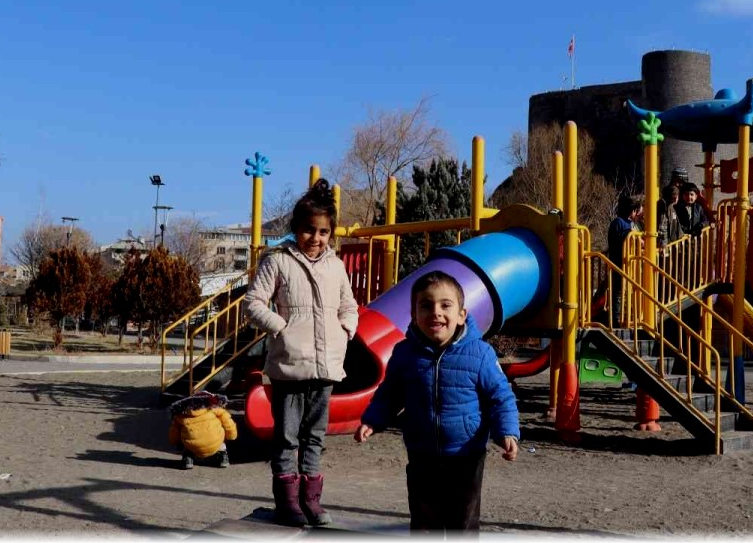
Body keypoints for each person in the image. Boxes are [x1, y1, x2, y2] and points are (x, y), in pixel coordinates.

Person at [354, 271, 520, 534]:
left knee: (462, 521)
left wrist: (507, 431)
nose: (436, 312)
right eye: (426, 305)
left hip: (466, 454)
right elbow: (390, 392)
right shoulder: (405, 353)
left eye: (445, 305)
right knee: (424, 520)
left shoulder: (480, 353)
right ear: (414, 315)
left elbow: (500, 396)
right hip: (422, 451)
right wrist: (373, 420)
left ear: (462, 315)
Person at [244, 178, 359, 528]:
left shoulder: (335, 266)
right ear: (297, 229)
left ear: (331, 234)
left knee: (315, 435)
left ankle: (312, 500)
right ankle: (288, 502)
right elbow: (253, 302)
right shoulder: (278, 261)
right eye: (309, 230)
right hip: (289, 366)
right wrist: (281, 327)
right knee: (287, 436)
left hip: (325, 368)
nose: (316, 238)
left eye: (323, 232)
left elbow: (349, 305)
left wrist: (346, 331)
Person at [168, 390, 237, 470]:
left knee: (186, 442)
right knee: (221, 443)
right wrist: (231, 436)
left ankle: (188, 459)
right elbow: (228, 423)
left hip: (193, 446)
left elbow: (174, 433)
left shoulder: (181, 415)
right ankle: (223, 458)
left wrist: (175, 442)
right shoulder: (215, 409)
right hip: (215, 442)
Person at [607, 193, 643, 324]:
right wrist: (633, 236)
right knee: (617, 291)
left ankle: (625, 316)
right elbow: (620, 240)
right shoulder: (619, 223)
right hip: (619, 261)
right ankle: (616, 318)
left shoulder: (626, 223)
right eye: (636, 211)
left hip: (627, 262)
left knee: (624, 291)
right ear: (632, 211)